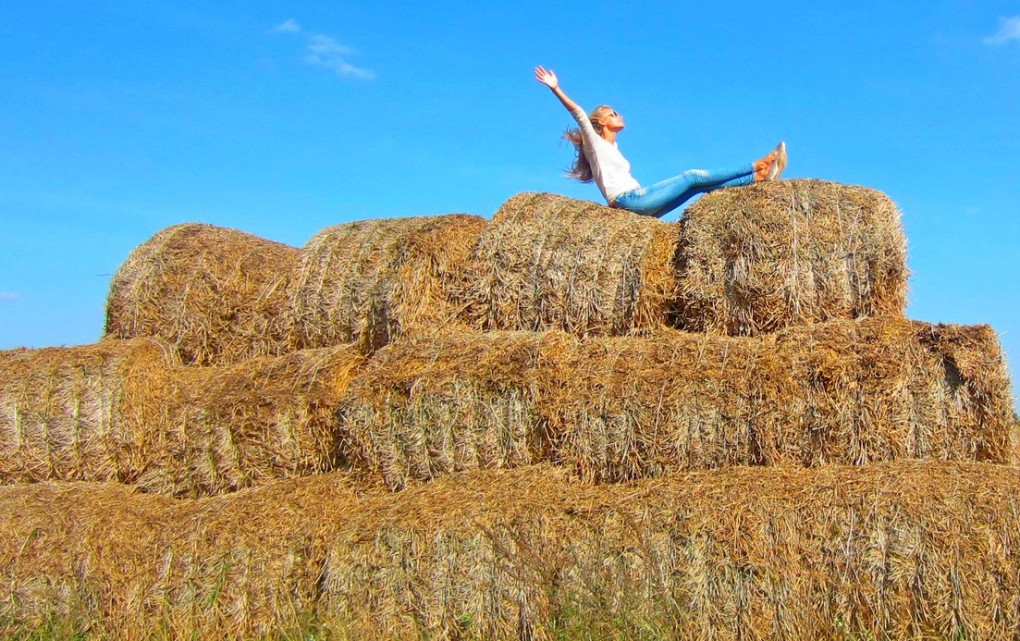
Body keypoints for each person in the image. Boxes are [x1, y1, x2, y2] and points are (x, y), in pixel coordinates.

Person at [534, 65, 787, 218]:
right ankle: (758, 164)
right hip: (628, 201)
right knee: (691, 176)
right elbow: (578, 113)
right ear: (600, 123)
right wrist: (555, 88)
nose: (618, 115)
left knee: (695, 188)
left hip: (638, 207)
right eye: (612, 114)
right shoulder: (595, 144)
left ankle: (756, 179)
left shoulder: (614, 148)